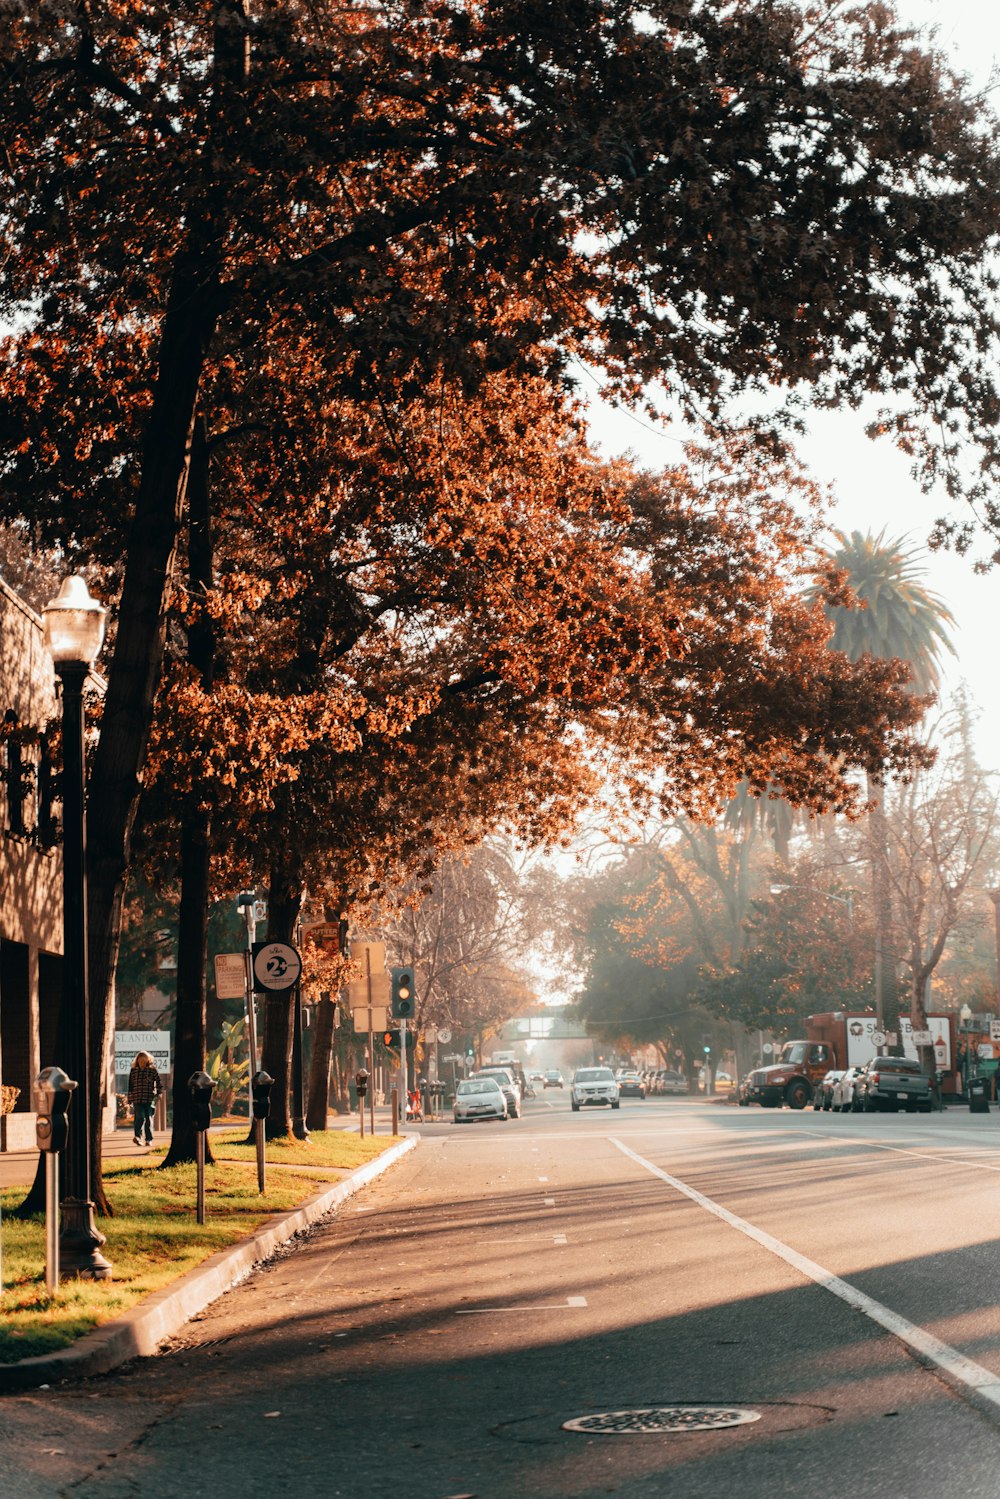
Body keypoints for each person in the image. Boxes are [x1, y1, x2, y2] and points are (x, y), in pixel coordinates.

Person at [128, 1051, 161, 1146]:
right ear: (137, 1060)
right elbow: (130, 1085)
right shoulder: (133, 1070)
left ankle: (149, 1139)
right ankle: (137, 1137)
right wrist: (130, 1098)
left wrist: (159, 1093)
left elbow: (159, 1083)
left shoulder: (152, 1070)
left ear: (148, 1060)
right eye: (140, 1059)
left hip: (149, 1099)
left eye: (144, 1059)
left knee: (149, 1119)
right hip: (137, 1098)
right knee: (140, 1118)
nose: (142, 1061)